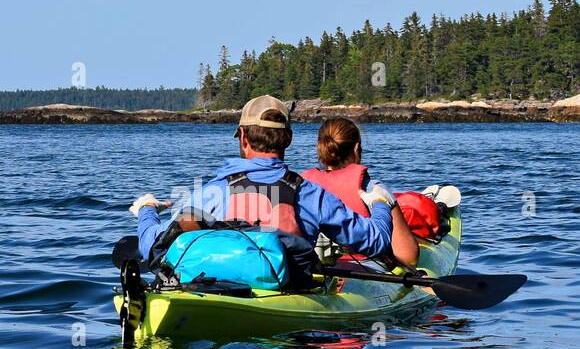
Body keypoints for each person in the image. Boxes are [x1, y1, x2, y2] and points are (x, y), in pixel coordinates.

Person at [128, 95, 396, 273]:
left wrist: (147, 209)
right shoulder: (311, 194)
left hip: (216, 288)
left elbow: (151, 245)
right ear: (288, 139)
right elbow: (375, 241)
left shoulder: (209, 193)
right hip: (289, 299)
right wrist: (381, 204)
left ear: (242, 137)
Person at [300, 117, 419, 265]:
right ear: (356, 148)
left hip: (313, 269)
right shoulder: (373, 189)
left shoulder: (302, 186)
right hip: (365, 271)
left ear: (320, 147)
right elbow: (408, 255)